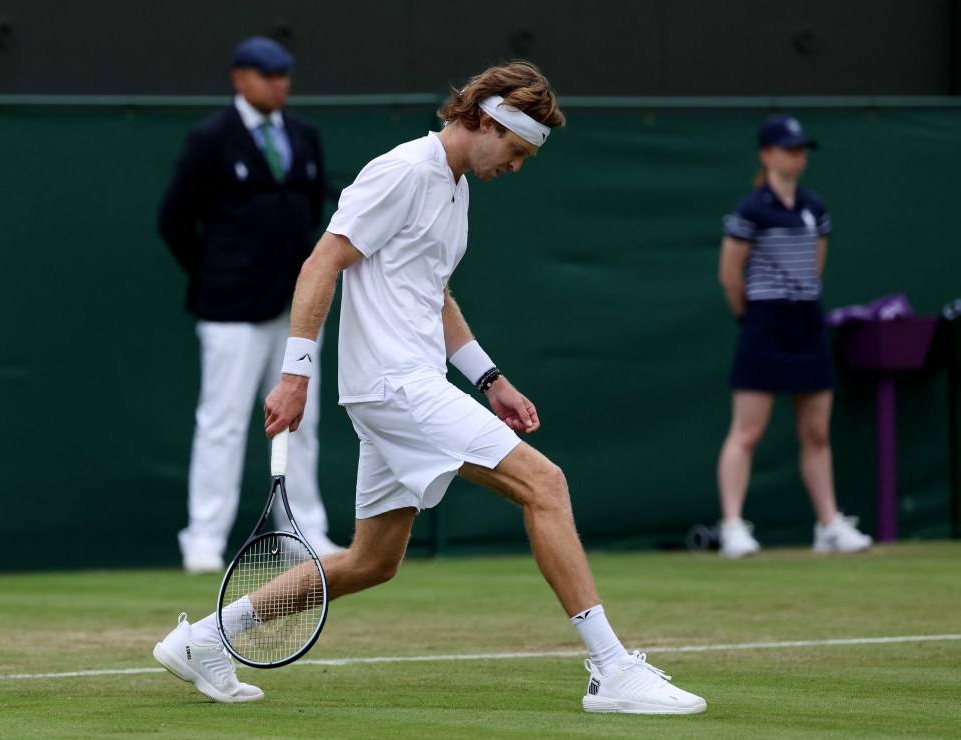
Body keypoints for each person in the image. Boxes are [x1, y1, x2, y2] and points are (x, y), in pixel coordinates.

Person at [153, 60, 707, 714]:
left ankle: (205, 641)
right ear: (484, 120)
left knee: (370, 561)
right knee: (545, 484)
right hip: (394, 386)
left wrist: (489, 378)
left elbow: (431, 293)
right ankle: (611, 670)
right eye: (516, 151)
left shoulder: (453, 186)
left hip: (404, 383)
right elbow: (322, 260)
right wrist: (294, 373)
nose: (516, 167)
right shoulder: (405, 170)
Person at [158, 36, 342, 575]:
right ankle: (204, 539)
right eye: (266, 75)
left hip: (297, 312)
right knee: (223, 423)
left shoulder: (305, 136)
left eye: (284, 74)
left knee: (300, 421)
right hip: (231, 311)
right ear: (240, 78)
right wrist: (217, 274)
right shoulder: (210, 139)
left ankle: (302, 533)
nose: (278, 84)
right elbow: (172, 219)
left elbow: (310, 218)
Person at [715, 115, 873, 559]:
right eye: (788, 149)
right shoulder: (750, 209)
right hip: (764, 323)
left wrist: (798, 302)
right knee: (746, 433)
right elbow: (730, 274)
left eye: (801, 149)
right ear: (766, 155)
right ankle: (732, 527)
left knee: (817, 432)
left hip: (807, 322)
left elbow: (815, 265)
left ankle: (828, 526)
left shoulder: (814, 206)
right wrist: (754, 315)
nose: (796, 156)